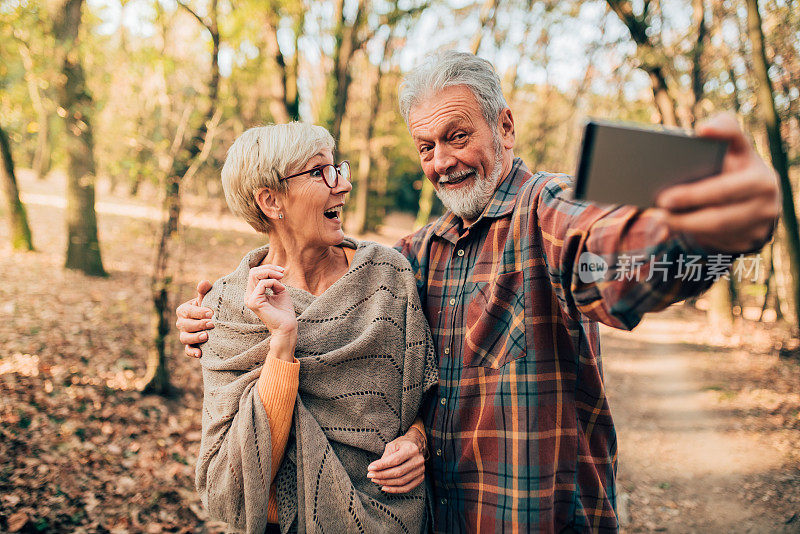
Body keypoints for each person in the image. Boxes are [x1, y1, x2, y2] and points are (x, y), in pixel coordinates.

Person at [178, 52, 779, 532]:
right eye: (426, 147)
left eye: (458, 136)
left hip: (537, 517)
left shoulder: (546, 212)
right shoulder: (415, 256)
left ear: (506, 126)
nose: (442, 161)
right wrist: (216, 315)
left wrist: (701, 235)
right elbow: (396, 369)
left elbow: (611, 250)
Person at [193, 122, 439, 534]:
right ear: (272, 201)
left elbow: (432, 394)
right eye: (319, 172)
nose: (341, 185)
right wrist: (282, 343)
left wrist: (419, 441)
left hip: (394, 519)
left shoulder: (387, 276)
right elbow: (236, 483)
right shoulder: (225, 307)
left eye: (337, 168)